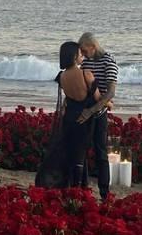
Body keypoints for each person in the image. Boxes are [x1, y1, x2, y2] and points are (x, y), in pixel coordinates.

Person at [35, 41, 100, 189]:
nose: (82, 55)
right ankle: (78, 187)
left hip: (69, 118)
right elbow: (98, 98)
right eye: (79, 53)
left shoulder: (61, 77)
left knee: (72, 151)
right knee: (80, 153)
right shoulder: (86, 74)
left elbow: (67, 99)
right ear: (73, 56)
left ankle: (71, 185)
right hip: (83, 119)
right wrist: (109, 103)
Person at [77, 32, 118, 200]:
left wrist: (92, 110)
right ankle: (84, 187)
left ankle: (104, 192)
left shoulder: (109, 61)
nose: (83, 55)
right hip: (85, 108)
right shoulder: (86, 61)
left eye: (85, 51)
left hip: (98, 112)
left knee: (101, 152)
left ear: (93, 47)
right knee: (82, 150)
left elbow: (110, 93)